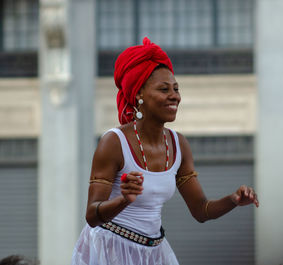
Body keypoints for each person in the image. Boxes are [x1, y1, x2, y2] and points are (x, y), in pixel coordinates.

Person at [70, 37, 259, 265]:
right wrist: (124, 200)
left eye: (176, 89)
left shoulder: (178, 144)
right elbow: (92, 215)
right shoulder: (114, 142)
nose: (175, 96)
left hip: (155, 253)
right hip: (109, 251)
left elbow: (201, 210)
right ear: (139, 94)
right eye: (164, 89)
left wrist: (233, 200)